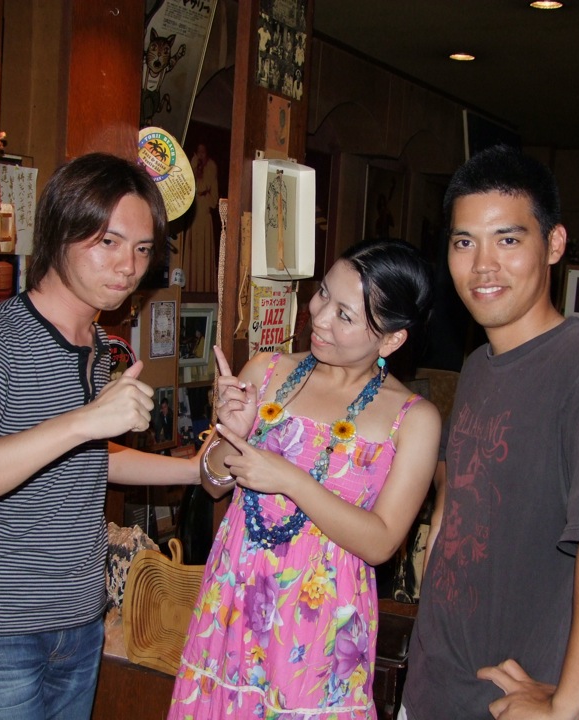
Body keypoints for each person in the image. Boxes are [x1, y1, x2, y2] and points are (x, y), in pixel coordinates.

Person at [0, 152, 203, 719]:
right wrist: (84, 420)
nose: (128, 266)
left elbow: (88, 458)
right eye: (109, 242)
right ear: (60, 231)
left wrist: (196, 469)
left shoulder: (96, 346)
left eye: (143, 249)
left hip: (79, 621)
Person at [400, 145, 579, 720]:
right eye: (464, 242)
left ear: (555, 244)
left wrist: (565, 706)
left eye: (508, 240)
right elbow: (462, 487)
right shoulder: (479, 364)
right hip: (436, 687)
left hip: (509, 703)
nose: (482, 265)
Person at [167, 238, 441, 719]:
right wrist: (232, 433)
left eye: (345, 315)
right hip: (234, 596)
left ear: (391, 340)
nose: (319, 317)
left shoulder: (413, 419)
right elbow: (212, 482)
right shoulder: (267, 370)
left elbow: (381, 542)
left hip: (320, 622)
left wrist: (291, 480)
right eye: (323, 294)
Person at [183, 142, 219, 293]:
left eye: (203, 152)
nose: (200, 155)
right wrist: (192, 167)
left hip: (204, 208)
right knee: (192, 250)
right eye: (198, 152)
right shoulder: (193, 164)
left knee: (203, 249)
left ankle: (204, 288)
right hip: (194, 209)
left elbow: (209, 190)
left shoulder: (211, 166)